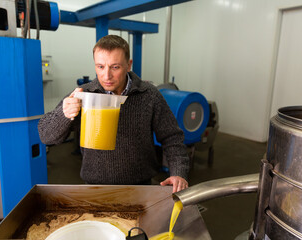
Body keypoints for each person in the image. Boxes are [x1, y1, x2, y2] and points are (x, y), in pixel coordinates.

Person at [38, 35, 189, 193]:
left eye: (115, 67)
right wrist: (64, 114)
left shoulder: (149, 95)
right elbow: (46, 136)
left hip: (140, 187)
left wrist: (178, 173)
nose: (106, 76)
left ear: (128, 65)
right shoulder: (84, 95)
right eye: (100, 67)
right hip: (94, 187)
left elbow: (172, 137)